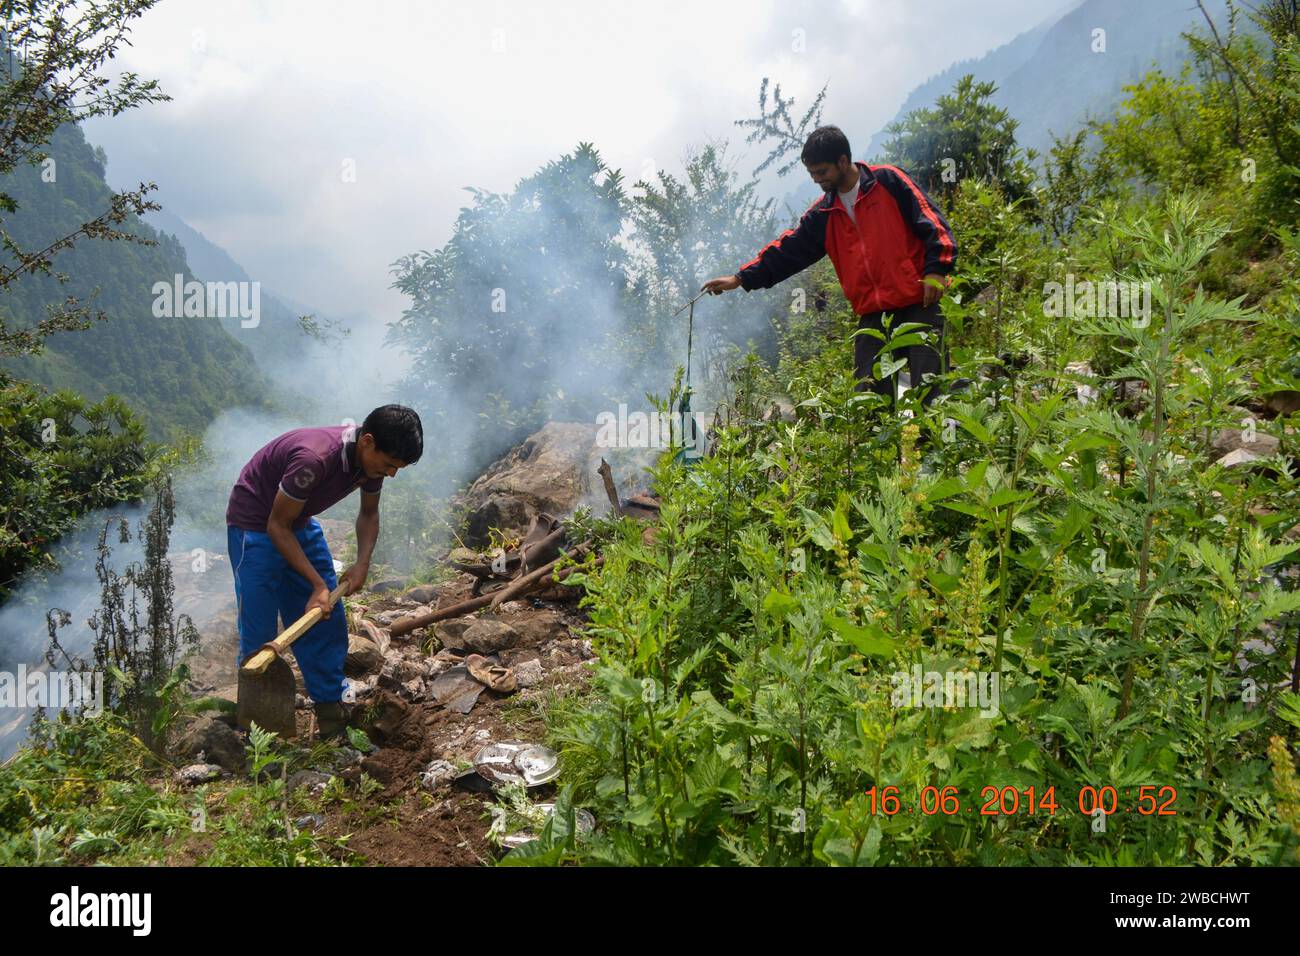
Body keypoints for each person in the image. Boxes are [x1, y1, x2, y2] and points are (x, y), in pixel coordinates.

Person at [703, 125, 957, 405]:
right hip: (874, 317)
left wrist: (936, 270)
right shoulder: (823, 213)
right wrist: (740, 278)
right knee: (869, 401)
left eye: (822, 172)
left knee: (933, 394)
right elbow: (788, 251)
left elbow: (932, 222)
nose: (817, 180)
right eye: (812, 174)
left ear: (843, 161)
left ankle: (937, 449)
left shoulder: (888, 181)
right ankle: (879, 450)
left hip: (918, 301)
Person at [225, 404, 423, 738]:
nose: (391, 474)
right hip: (256, 527)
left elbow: (369, 514)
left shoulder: (370, 465)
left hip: (297, 522)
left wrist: (362, 564)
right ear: (368, 442)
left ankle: (331, 712)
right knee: (259, 629)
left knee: (325, 617)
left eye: (398, 468)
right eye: (389, 465)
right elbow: (276, 526)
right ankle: (260, 733)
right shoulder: (313, 460)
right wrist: (317, 583)